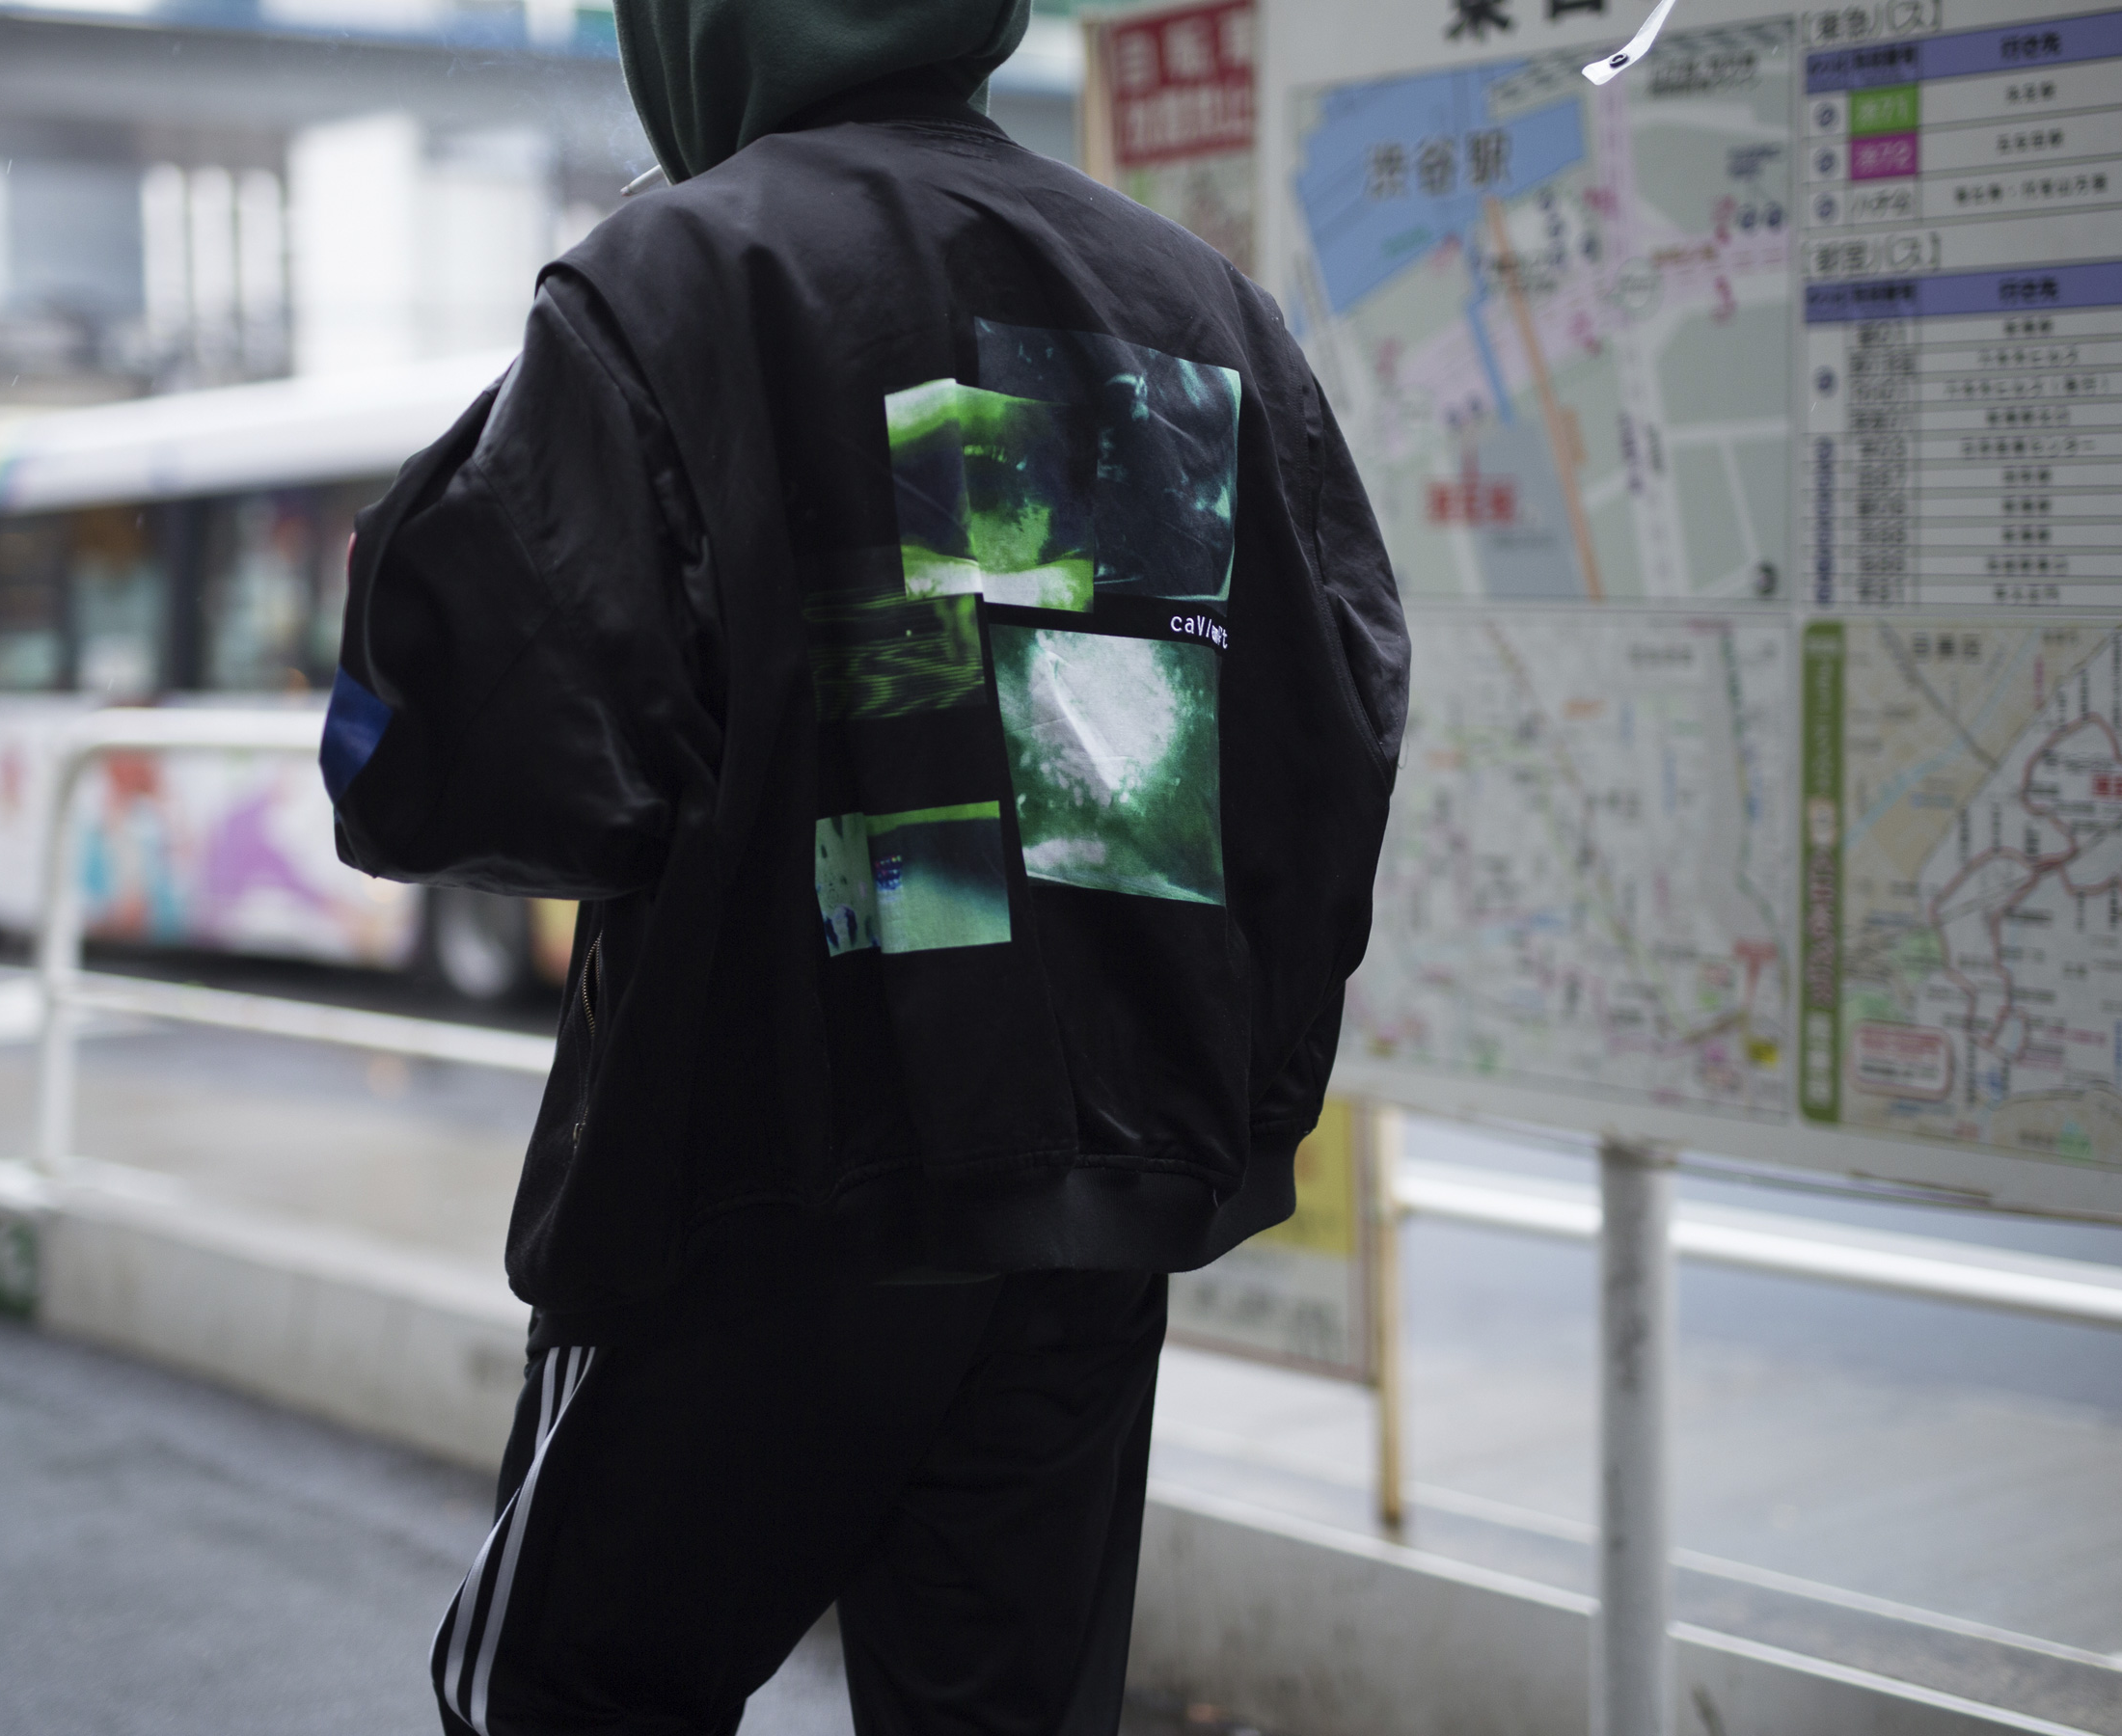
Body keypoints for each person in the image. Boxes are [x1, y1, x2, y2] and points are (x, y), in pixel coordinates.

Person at [318, 1, 1407, 1729]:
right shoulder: (1203, 308)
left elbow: (438, 766)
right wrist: (1204, 1111)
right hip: (1090, 1209)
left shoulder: (678, 277)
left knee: (560, 1698)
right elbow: (1322, 749)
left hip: (755, 1188)